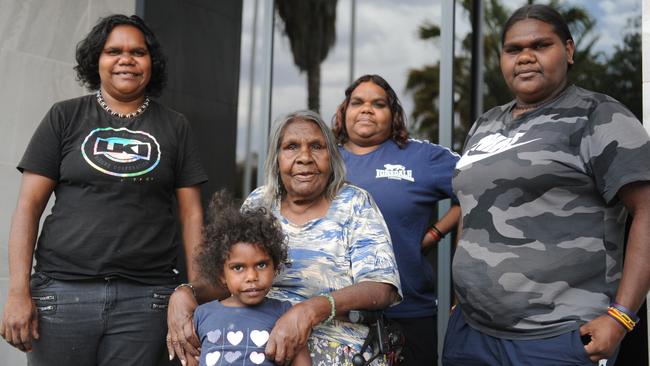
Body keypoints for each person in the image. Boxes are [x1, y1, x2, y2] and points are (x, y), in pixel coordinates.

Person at [443, 4, 650, 366]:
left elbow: (647, 211)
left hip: (559, 336)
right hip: (472, 333)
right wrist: (462, 301)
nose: (525, 57)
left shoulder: (599, 116)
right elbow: (472, 210)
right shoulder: (485, 124)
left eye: (540, 46)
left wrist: (622, 316)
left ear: (568, 51)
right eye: (513, 49)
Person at [0, 14, 207, 366]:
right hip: (62, 295)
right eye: (114, 51)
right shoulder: (63, 117)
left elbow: (192, 214)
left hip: (147, 299)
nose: (126, 59)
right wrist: (18, 290)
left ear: (151, 64)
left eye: (137, 52)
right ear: (96, 60)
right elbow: (28, 206)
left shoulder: (175, 126)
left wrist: (195, 290)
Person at [168, 110, 402, 366]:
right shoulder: (260, 202)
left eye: (316, 146)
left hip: (335, 344)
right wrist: (185, 293)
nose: (304, 158)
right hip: (255, 341)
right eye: (292, 147)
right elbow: (230, 277)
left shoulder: (355, 203)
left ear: (331, 157)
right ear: (277, 159)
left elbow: (382, 287)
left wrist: (310, 310)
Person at [332, 74, 460, 365]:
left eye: (378, 104)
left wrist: (435, 234)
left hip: (408, 313)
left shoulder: (420, 157)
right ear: (344, 111)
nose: (366, 109)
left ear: (393, 115)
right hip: (335, 316)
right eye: (357, 102)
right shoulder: (325, 160)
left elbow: (479, 188)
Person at [193, 190, 311, 366]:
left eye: (261, 265)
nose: (252, 277)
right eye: (238, 268)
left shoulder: (285, 314)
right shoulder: (202, 314)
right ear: (221, 274)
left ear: (276, 267)